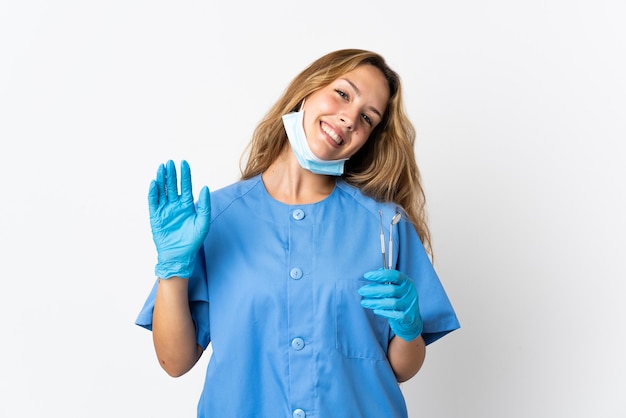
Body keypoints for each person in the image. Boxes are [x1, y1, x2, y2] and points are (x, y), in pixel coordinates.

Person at [136, 48, 460, 418]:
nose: (349, 118)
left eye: (367, 118)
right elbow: (175, 362)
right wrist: (173, 270)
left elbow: (402, 368)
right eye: (343, 93)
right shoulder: (216, 220)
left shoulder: (385, 227)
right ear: (308, 89)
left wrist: (408, 328)